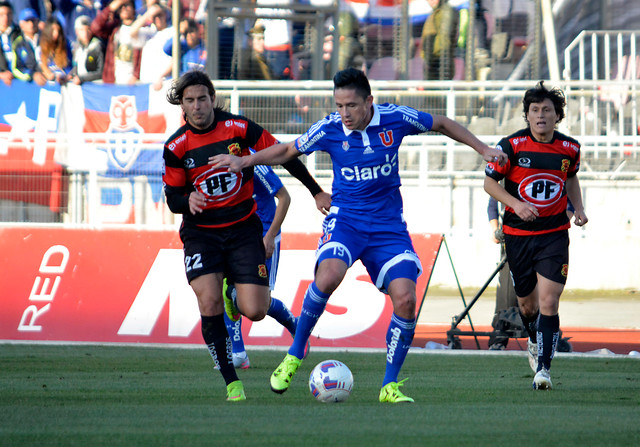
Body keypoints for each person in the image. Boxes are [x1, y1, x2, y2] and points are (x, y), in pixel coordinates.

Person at [211, 67, 507, 403]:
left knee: (406, 300)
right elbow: (287, 150)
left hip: (388, 227)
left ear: (369, 101)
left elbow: (441, 123)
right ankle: (295, 354)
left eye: (351, 105)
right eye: (339, 105)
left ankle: (389, 386)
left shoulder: (395, 118)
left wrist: (482, 148)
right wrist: (246, 161)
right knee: (329, 275)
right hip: (346, 220)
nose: (344, 113)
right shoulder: (329, 128)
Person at [162, 70, 330, 402]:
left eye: (202, 98)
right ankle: (231, 382)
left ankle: (244, 300)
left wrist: (316, 191)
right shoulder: (176, 147)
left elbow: (284, 153)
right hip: (202, 235)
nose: (197, 106)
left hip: (243, 231)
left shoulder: (239, 128)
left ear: (212, 97)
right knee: (208, 302)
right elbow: (172, 197)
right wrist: (187, 200)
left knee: (254, 308)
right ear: (182, 104)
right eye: (189, 101)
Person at [484, 81, 588, 390]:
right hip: (518, 235)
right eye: (535, 110)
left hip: (554, 234)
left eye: (547, 110)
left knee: (549, 301)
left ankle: (543, 370)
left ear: (558, 116)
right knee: (527, 307)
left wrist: (579, 208)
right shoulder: (510, 147)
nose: (541, 115)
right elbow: (490, 184)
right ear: (527, 115)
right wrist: (516, 204)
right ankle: (534, 339)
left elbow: (570, 179)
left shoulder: (570, 148)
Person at [223, 164, 306, 369]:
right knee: (226, 289)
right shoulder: (217, 156)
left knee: (259, 303)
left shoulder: (252, 160)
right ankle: (238, 353)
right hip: (237, 237)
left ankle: (296, 326)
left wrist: (270, 236)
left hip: (264, 237)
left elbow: (284, 197)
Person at [90, 0, 149, 84]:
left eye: (127, 5)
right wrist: (112, 7)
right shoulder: (114, 29)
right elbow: (95, 28)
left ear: (134, 9)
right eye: (121, 7)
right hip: (114, 82)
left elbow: (142, 57)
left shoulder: (142, 29)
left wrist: (136, 76)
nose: (124, 8)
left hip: (134, 83)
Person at [421, 0, 459, 80]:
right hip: (433, 60)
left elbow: (445, 38)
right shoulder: (436, 12)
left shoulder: (445, 11)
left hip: (440, 61)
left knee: (438, 88)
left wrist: (440, 55)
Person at [11, 7, 47, 86]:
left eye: (33, 20)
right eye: (27, 21)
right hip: (31, 87)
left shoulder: (46, 39)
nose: (31, 24)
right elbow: (16, 69)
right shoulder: (18, 44)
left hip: (50, 81)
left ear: (37, 21)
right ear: (21, 24)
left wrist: (49, 72)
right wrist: (32, 75)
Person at [67, 15, 104, 84]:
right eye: (82, 30)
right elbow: (76, 66)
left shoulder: (97, 46)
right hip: (82, 88)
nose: (85, 33)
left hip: (95, 87)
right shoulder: (77, 47)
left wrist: (82, 78)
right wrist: (70, 75)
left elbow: (100, 72)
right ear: (76, 31)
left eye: (88, 30)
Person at [39, 16, 73, 84]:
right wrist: (48, 74)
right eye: (53, 30)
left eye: (58, 30)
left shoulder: (66, 45)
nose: (56, 33)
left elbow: (70, 68)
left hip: (64, 84)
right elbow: (41, 66)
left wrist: (65, 76)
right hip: (49, 87)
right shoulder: (41, 48)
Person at [0, 0, 20, 86]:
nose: (6, 18)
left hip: (20, 79)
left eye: (9, 14)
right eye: (1, 15)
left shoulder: (19, 33)